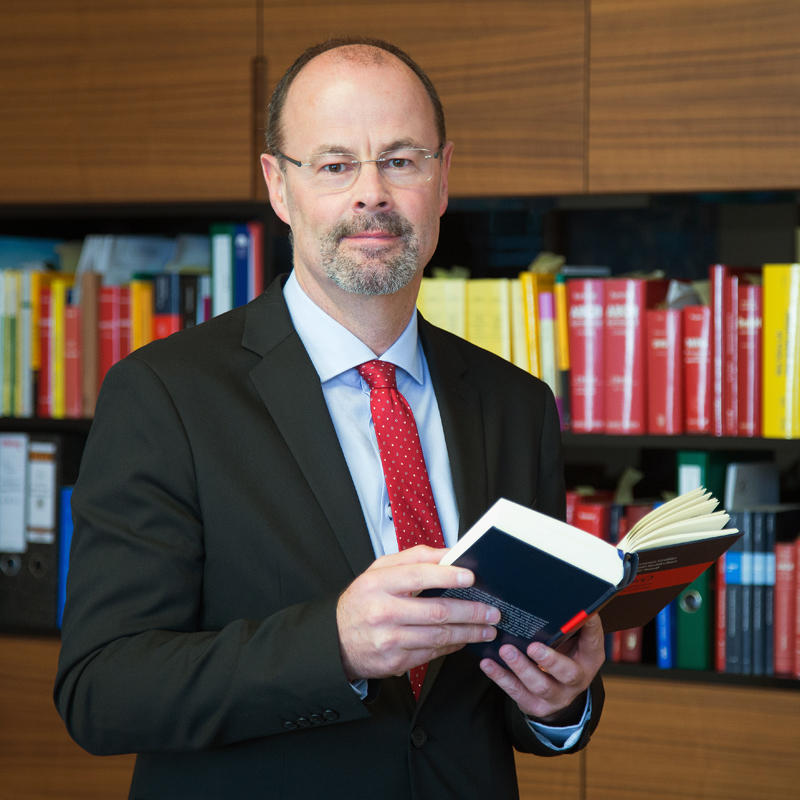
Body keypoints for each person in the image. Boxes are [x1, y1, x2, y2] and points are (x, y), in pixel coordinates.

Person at [54, 37, 606, 799]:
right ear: (279, 187)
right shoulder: (163, 395)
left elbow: (500, 689)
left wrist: (561, 700)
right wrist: (334, 645)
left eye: (402, 160)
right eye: (336, 164)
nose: (372, 194)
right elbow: (102, 692)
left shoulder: (516, 404)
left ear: (444, 179)